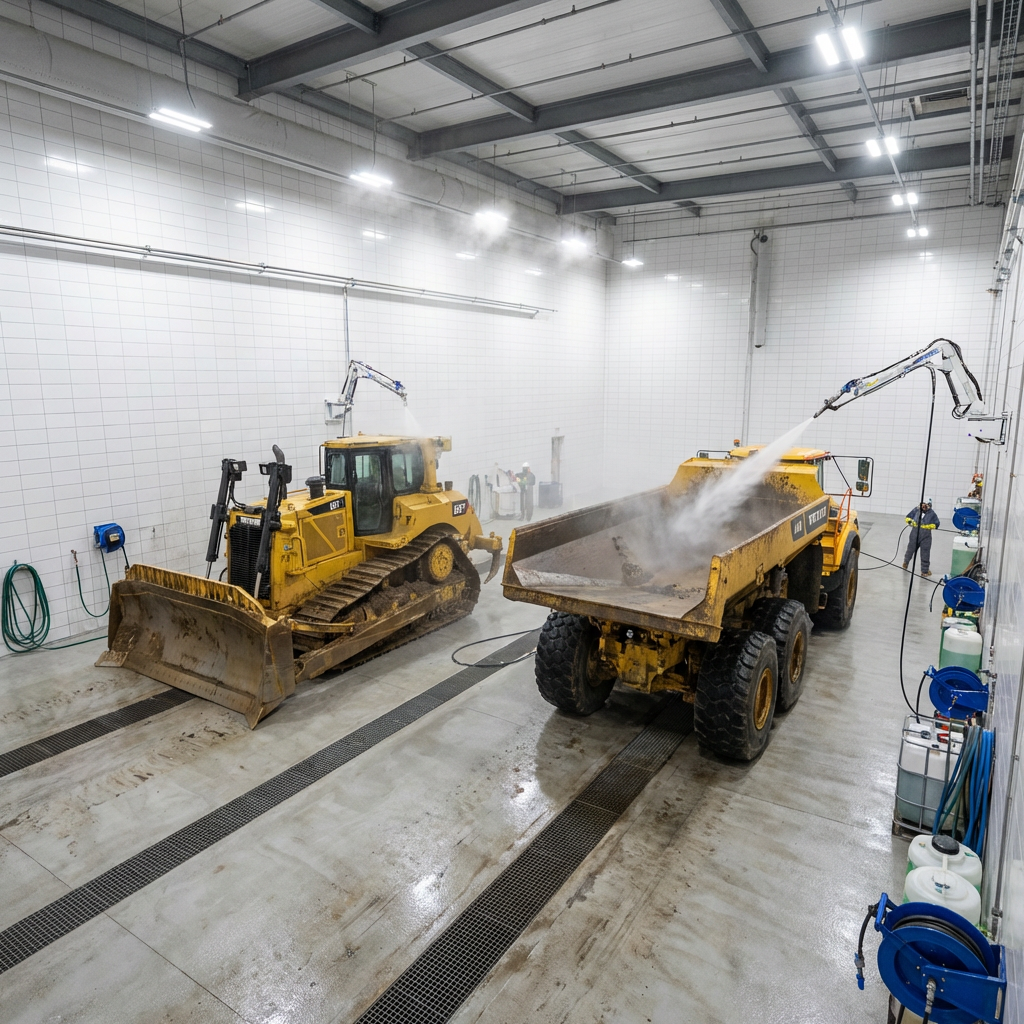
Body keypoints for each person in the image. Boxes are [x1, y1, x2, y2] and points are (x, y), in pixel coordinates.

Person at [903, 498, 940, 576]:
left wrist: (931, 526)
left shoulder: (932, 513)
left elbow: (937, 523)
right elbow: (908, 517)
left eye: (926, 505)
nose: (924, 506)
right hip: (915, 533)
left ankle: (924, 571)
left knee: (925, 553)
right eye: (923, 504)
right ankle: (905, 562)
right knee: (910, 549)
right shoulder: (916, 510)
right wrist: (910, 521)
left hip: (926, 536)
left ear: (929, 505)